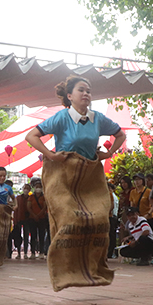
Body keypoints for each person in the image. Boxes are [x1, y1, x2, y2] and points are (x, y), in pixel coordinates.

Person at [25, 75, 125, 290]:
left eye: (88, 90)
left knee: (100, 220)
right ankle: (65, 271)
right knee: (71, 220)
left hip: (89, 178)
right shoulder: (61, 117)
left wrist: (108, 154)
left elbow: (120, 135)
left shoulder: (97, 118)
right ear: (69, 96)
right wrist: (50, 155)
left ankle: (93, 269)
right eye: (81, 90)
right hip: (64, 176)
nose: (86, 93)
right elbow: (31, 136)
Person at [27, 180, 47, 260]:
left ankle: (41, 252)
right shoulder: (31, 197)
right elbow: (28, 207)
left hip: (42, 219)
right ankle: (32, 252)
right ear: (34, 188)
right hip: (32, 219)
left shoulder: (44, 197)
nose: (38, 188)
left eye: (40, 187)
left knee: (41, 235)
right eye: (37, 187)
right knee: (33, 236)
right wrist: (34, 215)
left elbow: (45, 207)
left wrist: (38, 215)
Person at [12, 183, 30, 259]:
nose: (26, 189)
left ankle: (25, 253)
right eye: (24, 188)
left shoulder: (30, 198)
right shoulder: (18, 198)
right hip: (18, 219)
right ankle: (19, 253)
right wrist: (15, 220)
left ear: (29, 190)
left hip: (27, 220)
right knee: (18, 237)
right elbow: (15, 210)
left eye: (27, 188)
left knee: (26, 237)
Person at [107, 183, 119, 259]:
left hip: (111, 217)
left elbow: (112, 206)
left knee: (111, 235)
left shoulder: (111, 195)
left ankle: (111, 252)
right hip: (110, 216)